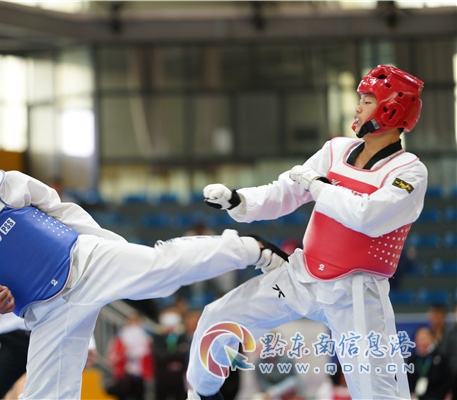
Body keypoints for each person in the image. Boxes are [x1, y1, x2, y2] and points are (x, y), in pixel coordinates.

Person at [0, 109, 286, 399]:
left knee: (161, 269)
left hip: (85, 261)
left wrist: (111, 246)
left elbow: (62, 212)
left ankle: (248, 248)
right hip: (47, 313)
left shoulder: (7, 183)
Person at [186, 65, 427, 400]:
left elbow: (368, 217)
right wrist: (240, 201)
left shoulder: (409, 171)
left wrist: (320, 188)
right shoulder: (335, 151)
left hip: (356, 293)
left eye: (367, 101)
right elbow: (285, 191)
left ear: (391, 110)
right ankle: (203, 394)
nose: (358, 108)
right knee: (218, 317)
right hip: (303, 276)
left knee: (377, 392)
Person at [106, 314, 154, 400]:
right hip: (124, 374)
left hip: (139, 374)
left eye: (136, 321)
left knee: (139, 395)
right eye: (131, 321)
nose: (133, 324)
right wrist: (123, 352)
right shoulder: (119, 339)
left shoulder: (146, 340)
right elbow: (111, 358)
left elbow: (150, 358)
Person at [152, 307, 189, 400]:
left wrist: (166, 354)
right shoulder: (158, 337)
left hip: (178, 377)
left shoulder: (182, 336)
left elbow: (185, 352)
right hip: (162, 376)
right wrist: (176, 354)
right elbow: (158, 354)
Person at [405, 326, 451, 399]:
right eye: (418, 339)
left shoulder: (441, 358)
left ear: (432, 339)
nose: (421, 342)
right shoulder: (412, 360)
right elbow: (408, 381)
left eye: (424, 338)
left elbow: (445, 382)